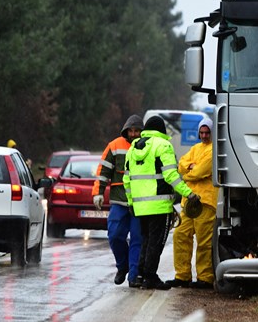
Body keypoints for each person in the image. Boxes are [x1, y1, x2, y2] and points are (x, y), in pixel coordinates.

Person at [123, 115, 198, 290]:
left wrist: (131, 203)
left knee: (146, 241)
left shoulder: (133, 147)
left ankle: (141, 275)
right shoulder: (163, 146)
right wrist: (189, 194)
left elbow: (127, 180)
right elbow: (171, 176)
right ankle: (150, 277)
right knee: (156, 242)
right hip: (159, 205)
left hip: (140, 206)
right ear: (162, 130)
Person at [166, 117, 219, 289]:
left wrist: (189, 172)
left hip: (206, 202)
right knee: (180, 235)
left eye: (207, 132)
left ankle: (205, 278)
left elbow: (199, 172)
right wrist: (191, 168)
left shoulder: (214, 150)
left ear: (212, 133)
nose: (204, 135)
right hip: (189, 201)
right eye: (202, 132)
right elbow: (180, 165)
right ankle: (182, 276)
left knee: (204, 242)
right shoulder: (195, 148)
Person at [92, 114, 144, 288]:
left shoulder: (147, 146)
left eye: (137, 131)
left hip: (139, 203)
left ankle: (134, 276)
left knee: (137, 239)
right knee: (114, 236)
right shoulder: (114, 146)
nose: (134, 134)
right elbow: (103, 171)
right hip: (119, 201)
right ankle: (123, 266)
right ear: (126, 131)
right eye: (131, 130)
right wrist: (97, 193)